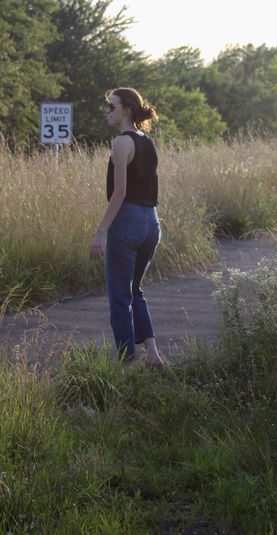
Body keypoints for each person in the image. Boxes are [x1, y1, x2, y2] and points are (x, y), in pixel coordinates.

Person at [90, 87, 164, 368]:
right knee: (135, 290)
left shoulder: (122, 143)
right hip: (151, 222)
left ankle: (127, 362)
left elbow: (119, 193)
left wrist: (100, 231)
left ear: (127, 110)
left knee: (120, 295)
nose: (107, 111)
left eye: (112, 106)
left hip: (128, 222)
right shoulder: (146, 140)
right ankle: (153, 355)